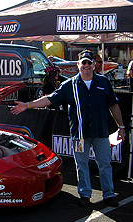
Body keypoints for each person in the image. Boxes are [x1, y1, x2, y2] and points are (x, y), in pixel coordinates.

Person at [11, 49, 125, 208]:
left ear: (93, 65)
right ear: (78, 65)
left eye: (89, 62)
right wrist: (27, 105)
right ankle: (85, 194)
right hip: (79, 134)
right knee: (81, 165)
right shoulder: (69, 85)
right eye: (83, 62)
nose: (86, 65)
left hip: (100, 133)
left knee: (105, 164)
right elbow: (50, 99)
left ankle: (109, 194)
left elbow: (114, 105)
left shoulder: (103, 82)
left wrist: (121, 126)